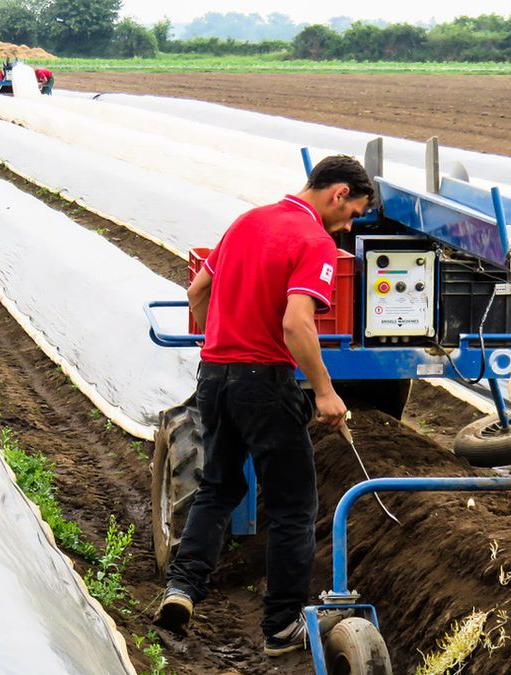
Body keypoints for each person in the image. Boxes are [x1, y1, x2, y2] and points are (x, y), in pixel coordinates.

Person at [153, 155, 374, 657]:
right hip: (264, 381)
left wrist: (221, 345)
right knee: (295, 505)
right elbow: (297, 324)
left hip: (214, 375)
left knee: (219, 487)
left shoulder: (247, 221)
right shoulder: (315, 241)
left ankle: (182, 590)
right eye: (355, 211)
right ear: (338, 193)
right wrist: (324, 391)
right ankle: (280, 627)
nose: (351, 223)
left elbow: (197, 290)